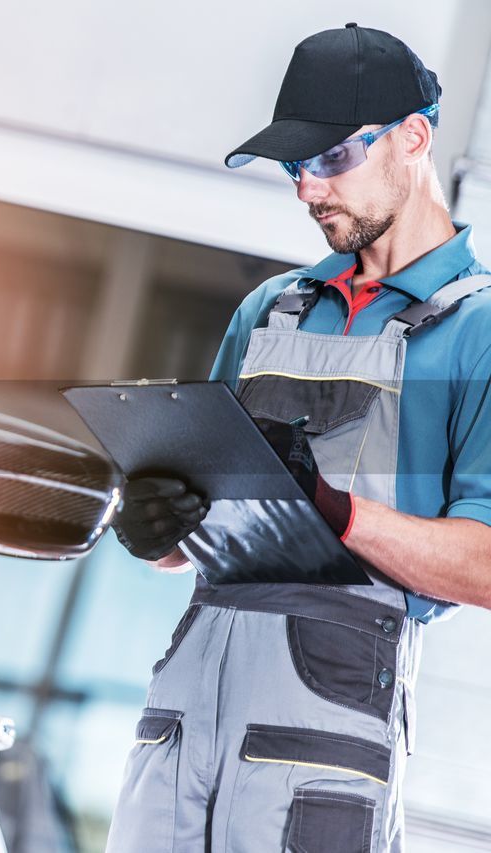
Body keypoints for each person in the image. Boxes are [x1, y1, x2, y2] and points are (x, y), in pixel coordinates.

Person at [105, 23, 491, 853]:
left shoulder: (480, 330)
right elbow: (195, 532)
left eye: (331, 160)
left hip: (324, 731)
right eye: (294, 167)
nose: (308, 191)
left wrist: (334, 509)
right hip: (183, 717)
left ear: (414, 139)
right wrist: (158, 530)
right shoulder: (272, 310)